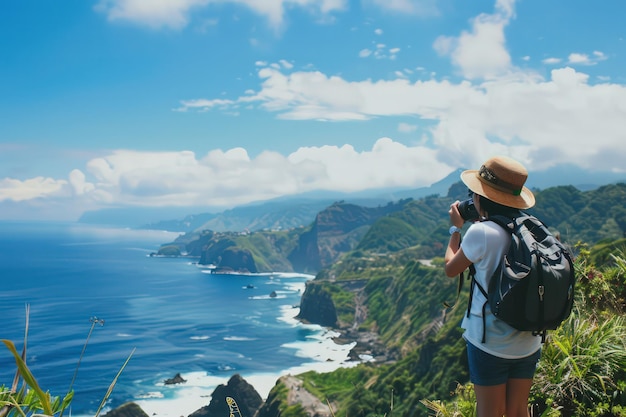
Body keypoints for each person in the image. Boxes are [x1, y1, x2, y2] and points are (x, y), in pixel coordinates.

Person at [444, 155, 542, 417]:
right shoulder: (531, 228)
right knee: (518, 411)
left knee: (489, 413)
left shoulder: (481, 233)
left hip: (491, 342)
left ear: (480, 197)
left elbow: (451, 269)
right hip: (529, 340)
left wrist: (455, 230)